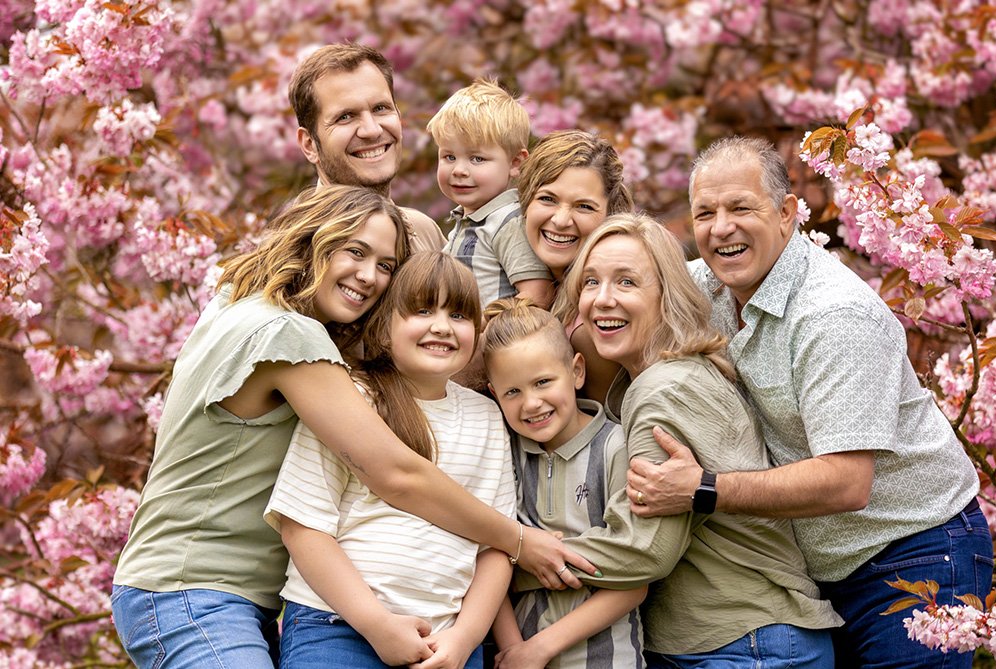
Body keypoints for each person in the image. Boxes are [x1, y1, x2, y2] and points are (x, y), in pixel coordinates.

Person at [110, 186, 589, 669]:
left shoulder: (236, 303)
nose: (370, 277)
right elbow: (395, 473)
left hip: (213, 588)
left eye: (385, 265)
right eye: (355, 252)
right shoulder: (289, 334)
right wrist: (520, 541)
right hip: (191, 587)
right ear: (313, 240)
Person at [627, 136, 992, 668]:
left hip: (913, 549)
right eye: (704, 212)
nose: (720, 227)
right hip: (816, 568)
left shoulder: (833, 315)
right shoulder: (705, 286)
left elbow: (846, 482)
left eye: (740, 207)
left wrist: (701, 489)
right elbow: (618, 304)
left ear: (787, 213)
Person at [533, 213, 843, 667]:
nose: (602, 300)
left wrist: (517, 558)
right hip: (735, 642)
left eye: (626, 283)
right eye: (590, 283)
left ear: (667, 295)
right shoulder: (665, 375)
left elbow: (645, 551)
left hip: (745, 645)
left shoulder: (663, 388)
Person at [266, 252, 514, 668]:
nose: (441, 326)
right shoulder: (352, 399)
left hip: (446, 640)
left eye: (458, 314)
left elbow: (496, 547)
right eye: (422, 310)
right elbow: (302, 526)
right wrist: (376, 624)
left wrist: (465, 638)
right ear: (385, 325)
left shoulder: (486, 415)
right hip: (339, 627)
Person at [482, 298, 646, 668]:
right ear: (494, 394)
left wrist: (540, 649)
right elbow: (489, 555)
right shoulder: (504, 453)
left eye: (543, 382)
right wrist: (516, 652)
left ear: (576, 371)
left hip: (608, 658)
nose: (531, 404)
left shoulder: (615, 447)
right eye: (513, 392)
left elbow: (635, 578)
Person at [288, 43, 446, 252]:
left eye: (380, 109)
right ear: (309, 145)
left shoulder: (426, 234)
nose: (371, 130)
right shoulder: (294, 254)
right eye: (345, 117)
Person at [517, 130, 634, 401]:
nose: (560, 220)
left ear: (610, 215)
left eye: (583, 207)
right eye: (547, 199)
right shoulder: (530, 279)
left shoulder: (590, 326)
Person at [426, 78, 552, 309]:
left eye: (477, 159)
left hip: (498, 340)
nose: (459, 170)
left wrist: (483, 325)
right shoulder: (467, 222)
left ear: (515, 162)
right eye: (449, 157)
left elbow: (538, 294)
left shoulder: (509, 223)